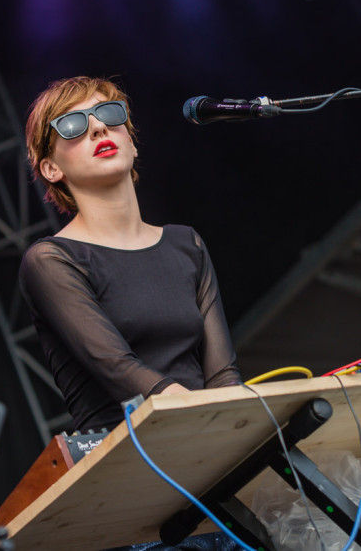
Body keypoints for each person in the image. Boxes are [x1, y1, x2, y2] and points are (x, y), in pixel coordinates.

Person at [19, 75, 242, 435]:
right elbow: (120, 369)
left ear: (132, 143)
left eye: (109, 114)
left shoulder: (187, 244)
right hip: (129, 458)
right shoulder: (51, 260)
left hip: (206, 437)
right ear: (51, 169)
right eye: (73, 125)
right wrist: (210, 424)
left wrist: (241, 430)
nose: (98, 128)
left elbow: (223, 375)